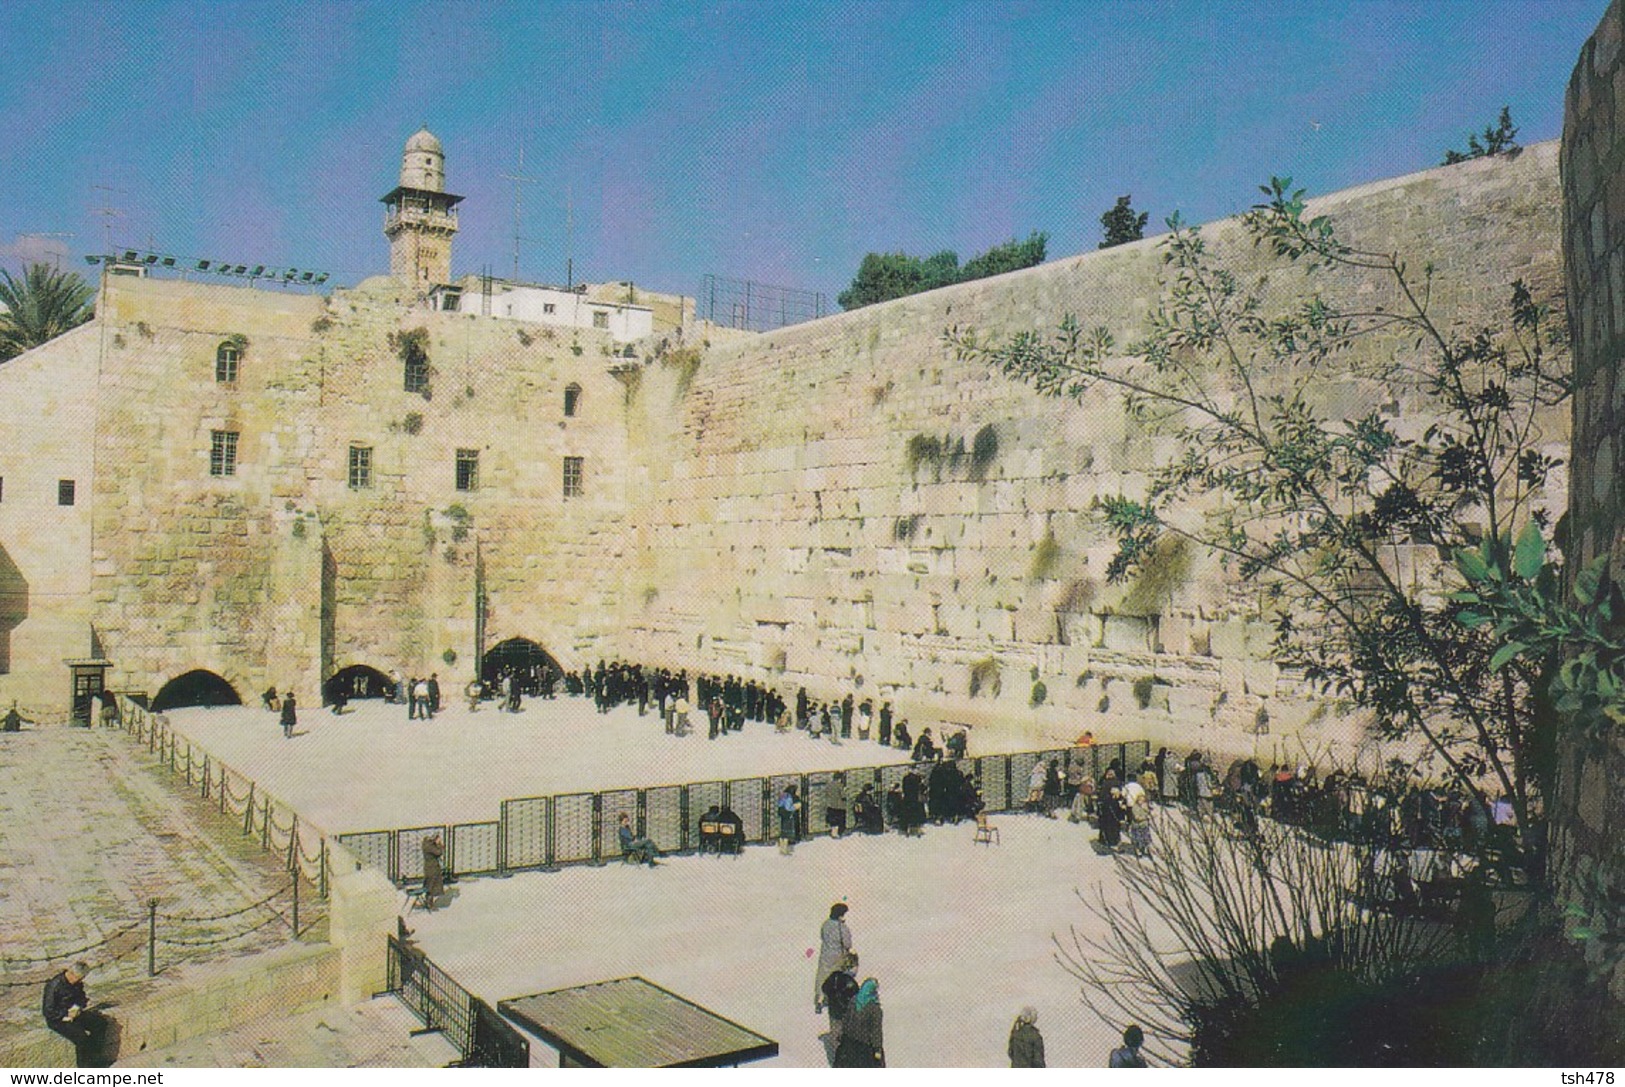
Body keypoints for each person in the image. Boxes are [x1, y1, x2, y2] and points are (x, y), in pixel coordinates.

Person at [42, 961, 108, 1066]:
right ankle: (84, 1067)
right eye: (77, 978)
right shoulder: (54, 986)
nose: (77, 981)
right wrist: (65, 1014)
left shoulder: (77, 983)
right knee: (81, 1037)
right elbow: (48, 1010)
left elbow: (81, 997)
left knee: (100, 1024)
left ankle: (95, 1059)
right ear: (70, 973)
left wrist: (77, 1007)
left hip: (74, 1013)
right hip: (58, 1019)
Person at [834, 978, 884, 1067]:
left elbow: (846, 1021)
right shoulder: (874, 1008)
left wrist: (842, 1036)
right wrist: (877, 1049)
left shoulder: (853, 1001)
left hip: (849, 1044)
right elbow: (876, 1031)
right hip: (865, 1047)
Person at [814, 903, 854, 1012]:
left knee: (822, 976)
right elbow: (848, 944)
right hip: (838, 957)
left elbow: (822, 936)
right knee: (836, 977)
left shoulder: (825, 925)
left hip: (825, 955)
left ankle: (819, 999)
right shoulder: (842, 927)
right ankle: (833, 998)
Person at [821, 953, 861, 1058]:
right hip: (846, 1017)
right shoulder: (852, 984)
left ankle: (836, 1060)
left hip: (833, 1014)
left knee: (836, 1039)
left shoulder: (834, 977)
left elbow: (824, 988)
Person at [421, 833, 445, 910]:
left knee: (432, 884)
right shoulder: (429, 846)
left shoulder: (427, 844)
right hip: (432, 868)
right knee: (431, 885)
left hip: (431, 867)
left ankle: (429, 902)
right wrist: (440, 844)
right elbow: (439, 852)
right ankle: (429, 903)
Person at [777, 784, 802, 854]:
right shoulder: (790, 797)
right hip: (788, 816)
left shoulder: (783, 795)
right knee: (787, 834)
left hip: (783, 816)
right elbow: (788, 808)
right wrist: (795, 807)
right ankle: (784, 850)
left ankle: (781, 848)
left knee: (783, 832)